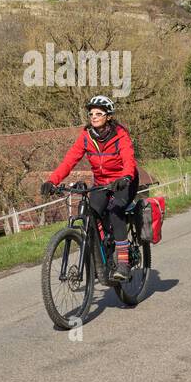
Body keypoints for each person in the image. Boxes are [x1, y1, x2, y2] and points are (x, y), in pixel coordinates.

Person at [41, 95, 139, 279]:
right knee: (88, 211)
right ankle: (100, 256)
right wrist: (52, 181)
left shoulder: (120, 135)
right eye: (91, 113)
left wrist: (125, 177)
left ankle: (124, 263)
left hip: (124, 181)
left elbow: (128, 159)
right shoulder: (86, 137)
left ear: (108, 116)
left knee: (116, 212)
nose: (93, 117)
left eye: (98, 113)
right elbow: (69, 161)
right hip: (102, 183)